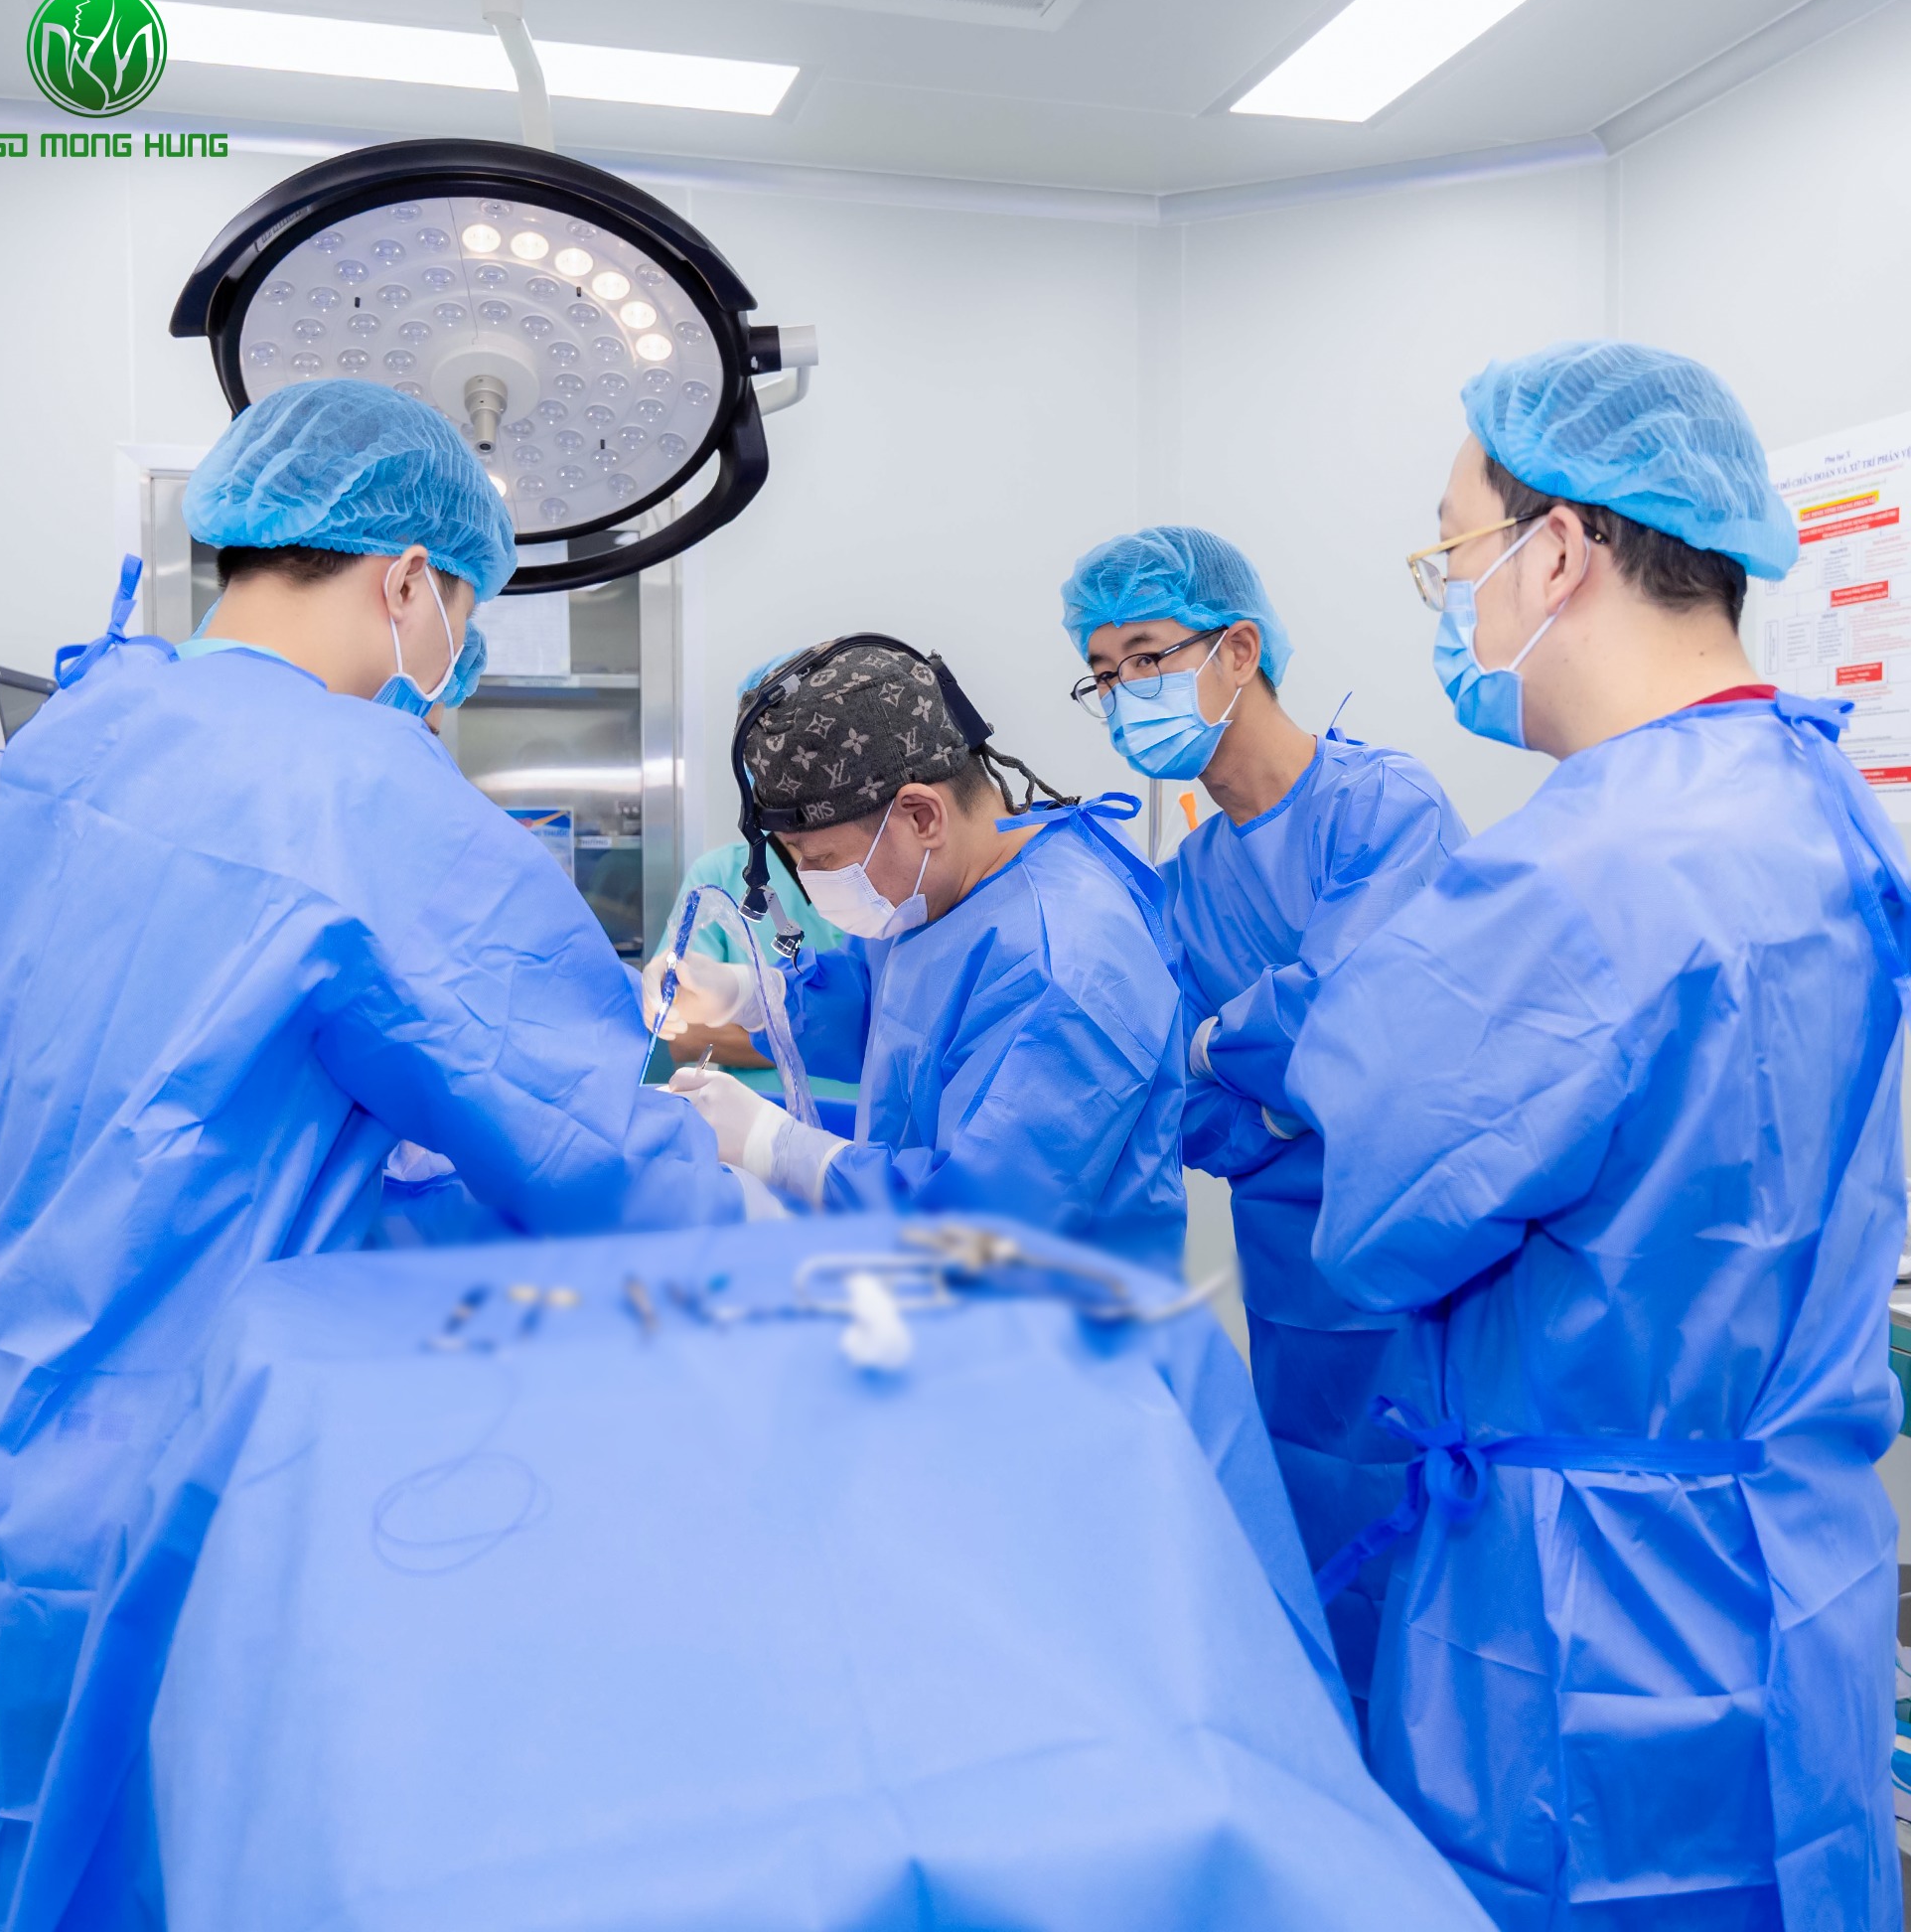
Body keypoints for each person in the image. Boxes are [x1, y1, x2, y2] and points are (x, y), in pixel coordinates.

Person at [0, 377, 740, 1914]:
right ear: (409, 579)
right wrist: (772, 1250)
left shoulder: (44, 763)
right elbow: (595, 1155)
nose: (453, 660)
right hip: (201, 1500)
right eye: (464, 616)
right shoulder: (362, 791)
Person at [1289, 341, 1905, 1929]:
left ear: (1557, 549)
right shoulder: (1828, 804)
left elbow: (1378, 1222)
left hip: (1591, 1638)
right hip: (1798, 1580)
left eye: (1454, 552)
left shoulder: (1583, 867)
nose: (1453, 598)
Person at [1060, 525, 1465, 1719]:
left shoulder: (1382, 809)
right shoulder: (1185, 879)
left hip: (1420, 1275)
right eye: (1102, 673)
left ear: (1237, 649)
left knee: (1435, 1588)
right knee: (1319, 1571)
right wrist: (1278, 1101)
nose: (1124, 694)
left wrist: (1235, 1053)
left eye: (1147, 657)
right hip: (1292, 1290)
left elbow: (1349, 1019)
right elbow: (1175, 1099)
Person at [645, 639, 1189, 1267]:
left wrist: (784, 1150)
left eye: (820, 859)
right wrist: (752, 995)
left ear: (923, 816)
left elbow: (984, 1230)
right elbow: (890, 1010)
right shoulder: (948, 887)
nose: (811, 884)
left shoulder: (1064, 960)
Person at [651, 654, 848, 1068]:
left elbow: (884, 1022)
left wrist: (778, 1026)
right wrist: (741, 998)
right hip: (756, 1102)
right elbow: (687, 1035)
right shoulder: (720, 875)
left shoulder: (889, 876)